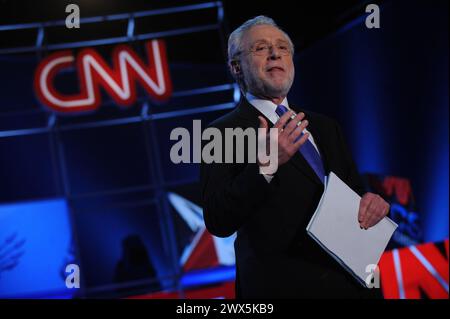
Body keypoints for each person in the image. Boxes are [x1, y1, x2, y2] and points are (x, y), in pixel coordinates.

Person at [200, 16, 390, 298]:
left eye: (282, 48)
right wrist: (266, 165)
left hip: (352, 285)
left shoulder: (325, 126)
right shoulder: (220, 133)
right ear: (236, 67)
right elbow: (218, 220)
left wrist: (372, 202)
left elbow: (355, 192)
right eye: (261, 48)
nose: (275, 53)